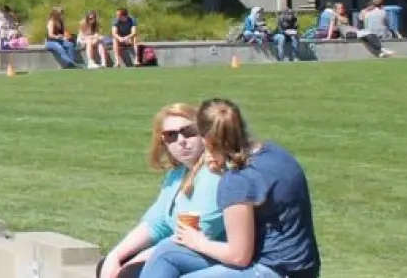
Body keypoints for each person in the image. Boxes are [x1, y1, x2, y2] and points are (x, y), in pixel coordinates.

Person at [141, 99, 321, 278]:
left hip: (273, 270)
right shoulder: (275, 153)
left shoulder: (236, 180)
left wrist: (198, 242)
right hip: (304, 267)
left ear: (205, 139)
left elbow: (239, 256)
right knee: (167, 252)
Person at [95, 104, 227, 278]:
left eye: (188, 131)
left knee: (130, 272)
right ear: (164, 142)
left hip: (212, 255)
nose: (181, 140)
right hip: (178, 251)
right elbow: (156, 224)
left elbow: (193, 235)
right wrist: (116, 255)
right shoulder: (177, 175)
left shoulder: (213, 173)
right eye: (171, 135)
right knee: (108, 264)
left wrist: (135, 262)